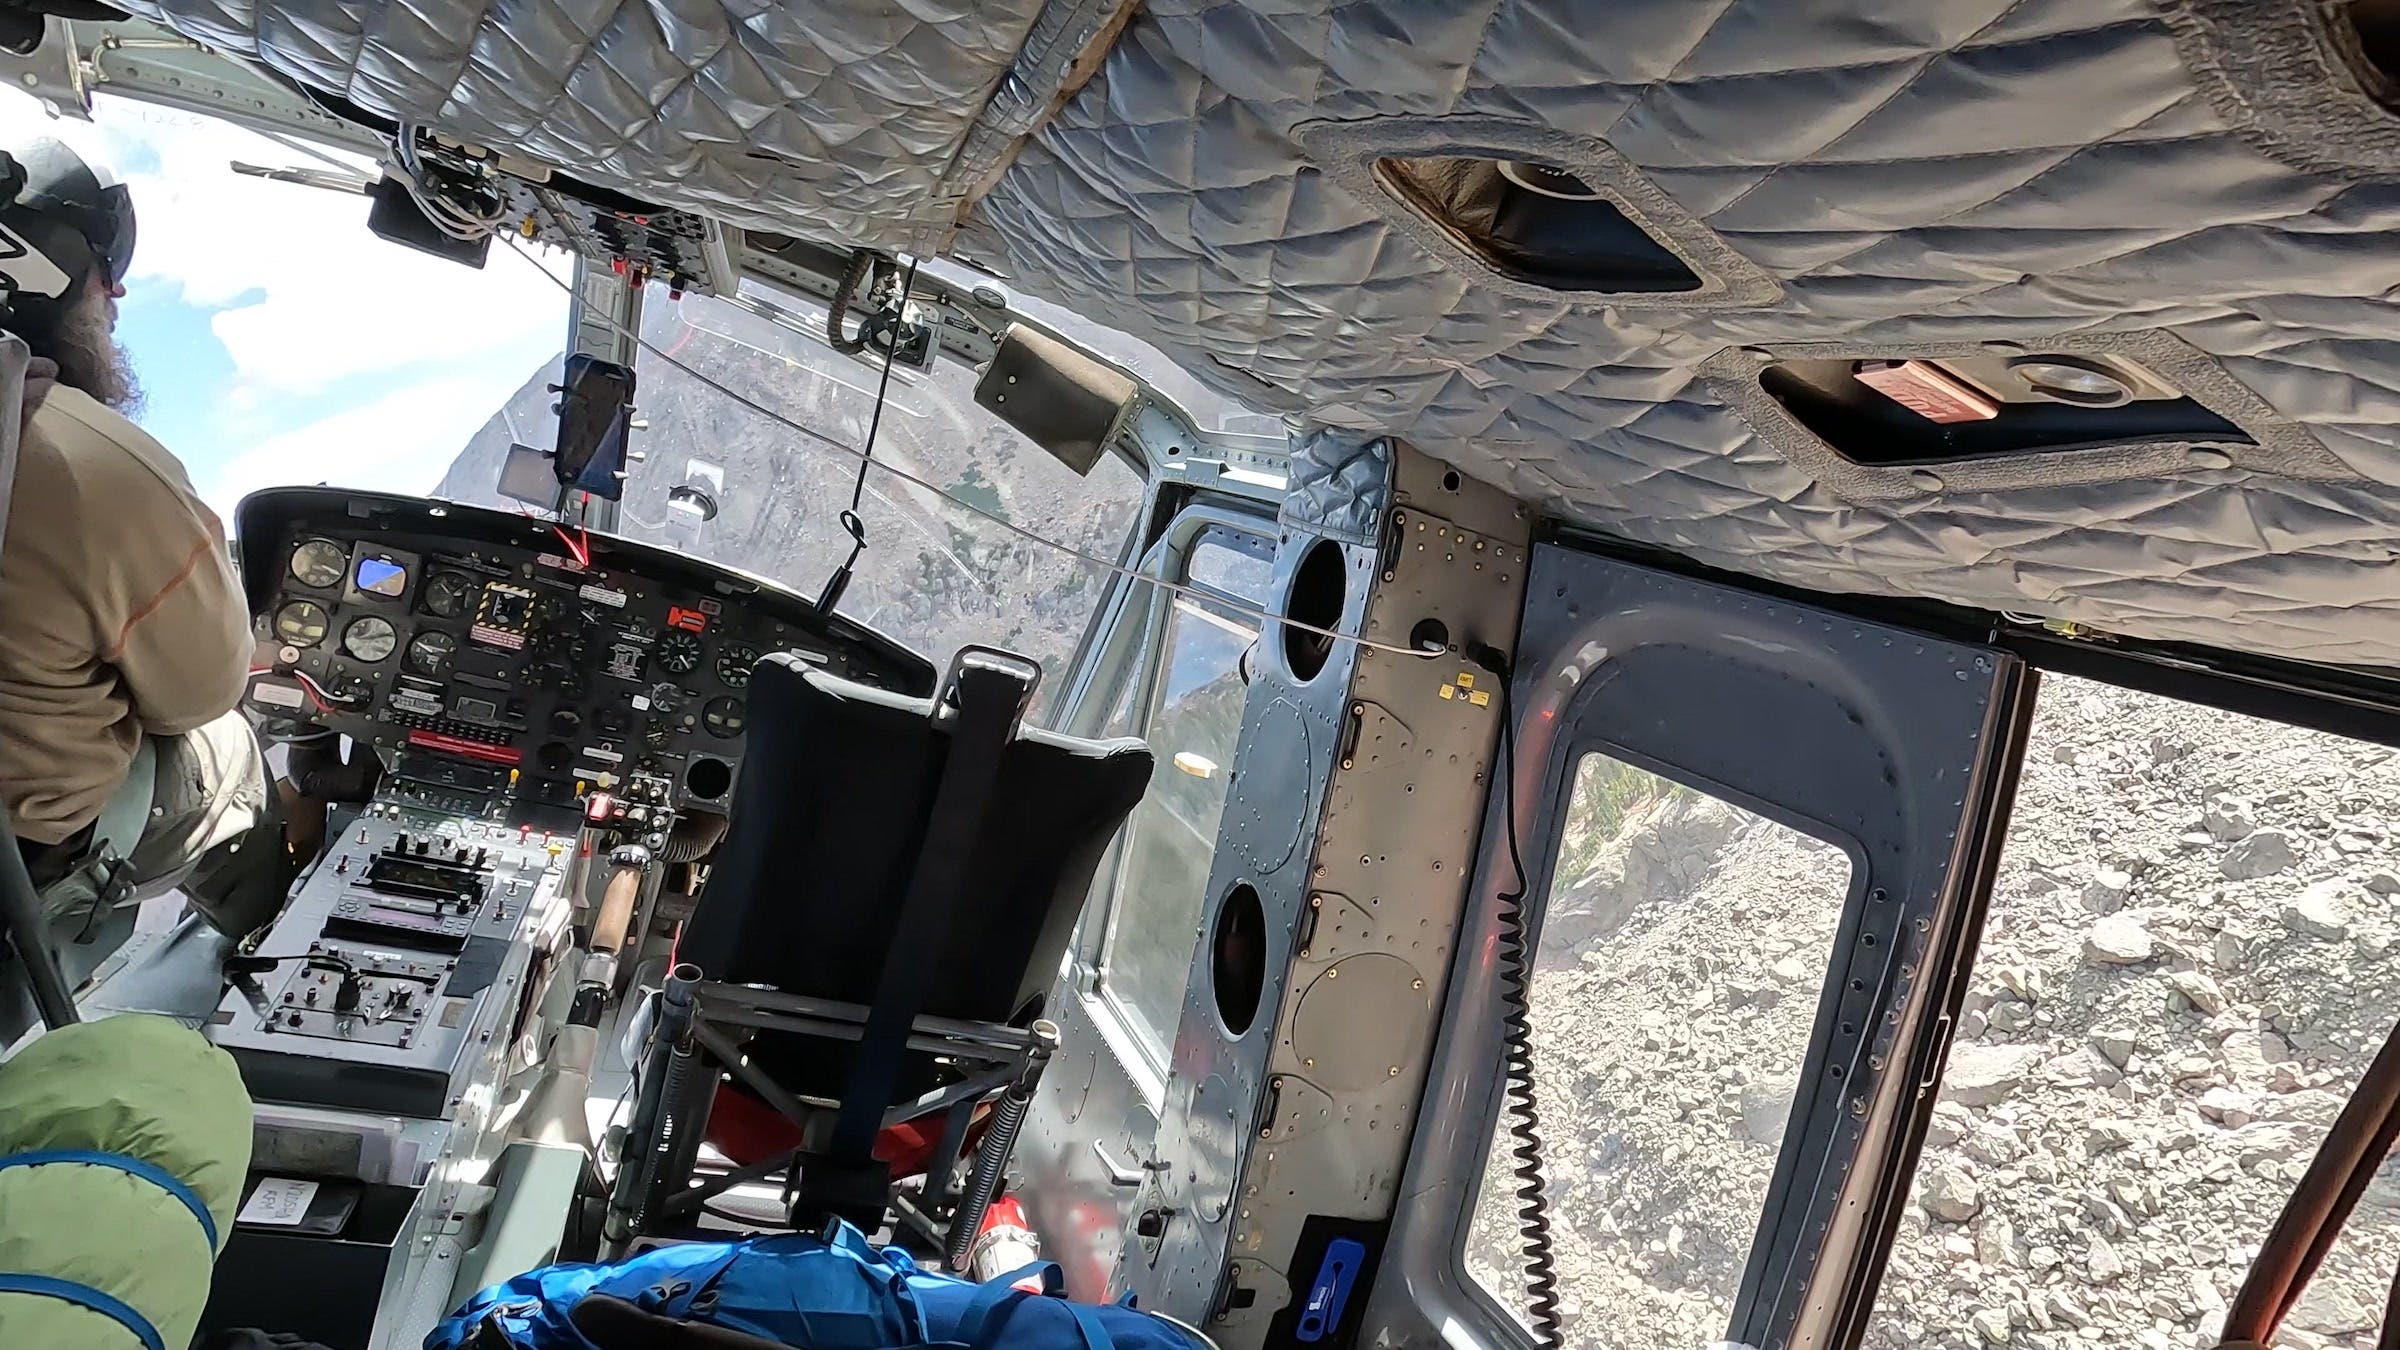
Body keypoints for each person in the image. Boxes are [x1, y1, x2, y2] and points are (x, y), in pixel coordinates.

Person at [0, 139, 293, 1021]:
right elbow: (199, 693)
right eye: (105, 272)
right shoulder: (93, 459)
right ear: (52, 273)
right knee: (232, 751)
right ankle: (262, 954)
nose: (117, 297)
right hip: (28, 849)